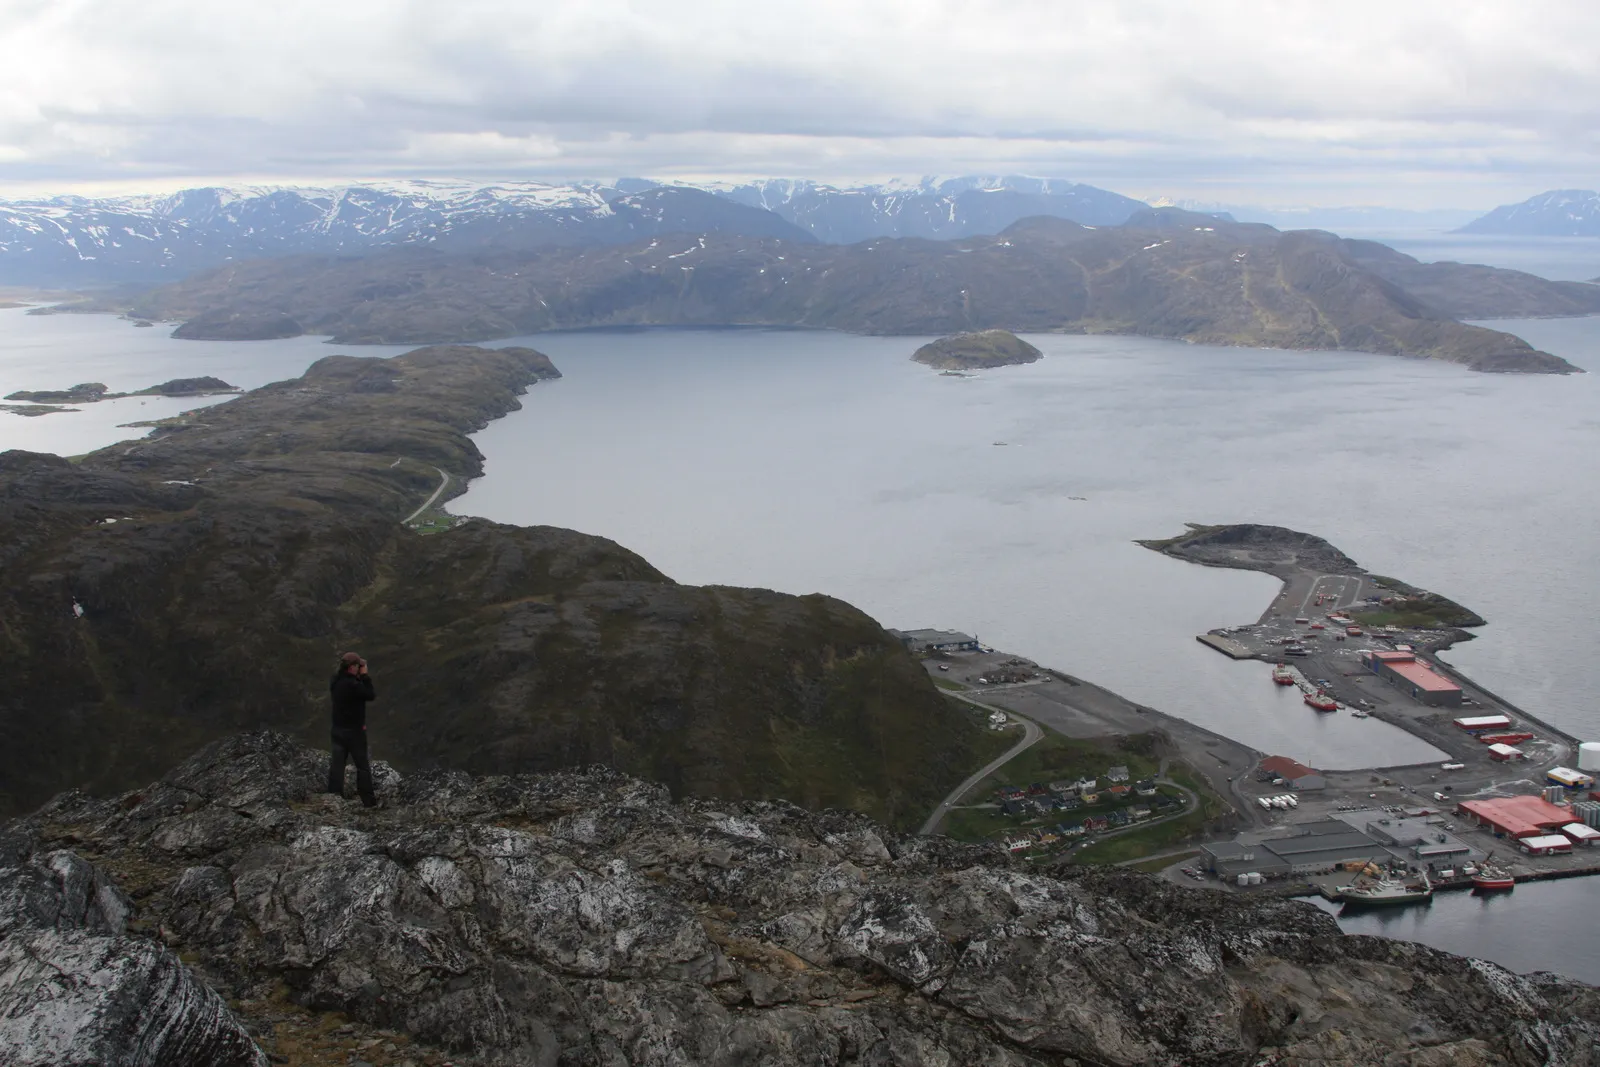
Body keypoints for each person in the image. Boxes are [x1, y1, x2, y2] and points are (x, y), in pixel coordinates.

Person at [327, 651, 379, 807]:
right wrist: (364, 676)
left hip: (337, 730)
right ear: (352, 667)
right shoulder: (354, 685)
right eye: (358, 666)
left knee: (337, 765)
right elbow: (370, 694)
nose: (360, 668)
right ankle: (368, 801)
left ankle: (333, 797)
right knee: (362, 766)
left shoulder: (335, 682)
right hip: (355, 732)